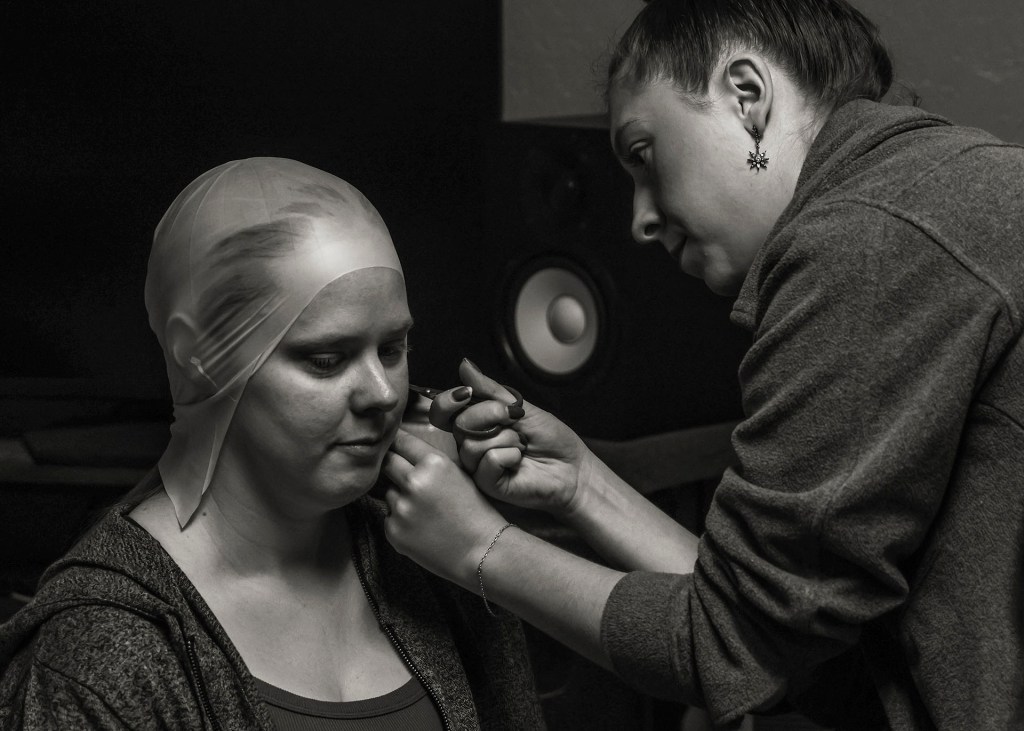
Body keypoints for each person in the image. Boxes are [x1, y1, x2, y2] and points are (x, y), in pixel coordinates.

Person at [380, 1, 1024, 729]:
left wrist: (478, 546)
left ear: (747, 97)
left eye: (643, 155)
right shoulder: (923, 197)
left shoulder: (868, 238)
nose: (639, 219)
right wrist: (582, 484)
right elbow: (796, 650)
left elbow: (728, 650)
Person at [0, 158, 544, 730]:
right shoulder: (100, 652)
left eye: (392, 349)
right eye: (326, 360)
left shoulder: (441, 558)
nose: (383, 394)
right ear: (199, 357)